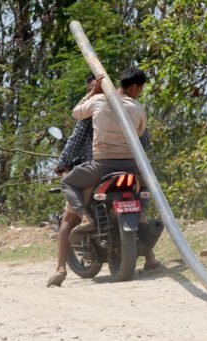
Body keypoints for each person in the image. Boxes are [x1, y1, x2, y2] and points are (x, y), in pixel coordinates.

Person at [60, 67, 160, 271]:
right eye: (140, 89)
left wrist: (91, 93)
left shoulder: (96, 101)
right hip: (132, 166)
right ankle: (142, 220)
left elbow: (76, 114)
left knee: (67, 182)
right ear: (134, 87)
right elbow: (142, 137)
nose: (139, 92)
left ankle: (86, 218)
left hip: (102, 166)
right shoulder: (137, 107)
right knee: (145, 190)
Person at [47, 74, 96, 287]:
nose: (89, 93)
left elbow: (74, 142)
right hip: (127, 167)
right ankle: (149, 258)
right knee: (138, 207)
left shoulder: (90, 111)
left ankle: (60, 269)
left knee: (68, 219)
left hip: (94, 167)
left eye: (91, 89)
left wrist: (61, 164)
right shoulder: (125, 108)